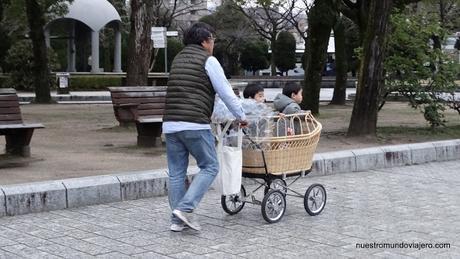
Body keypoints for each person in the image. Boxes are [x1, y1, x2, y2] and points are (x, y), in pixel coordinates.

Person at [162, 22, 247, 232]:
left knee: (176, 173)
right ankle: (186, 208)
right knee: (210, 166)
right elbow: (226, 92)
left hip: (170, 124)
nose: (213, 44)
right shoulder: (208, 60)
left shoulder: (178, 58)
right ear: (204, 41)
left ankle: (177, 221)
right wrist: (242, 115)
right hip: (194, 123)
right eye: (213, 40)